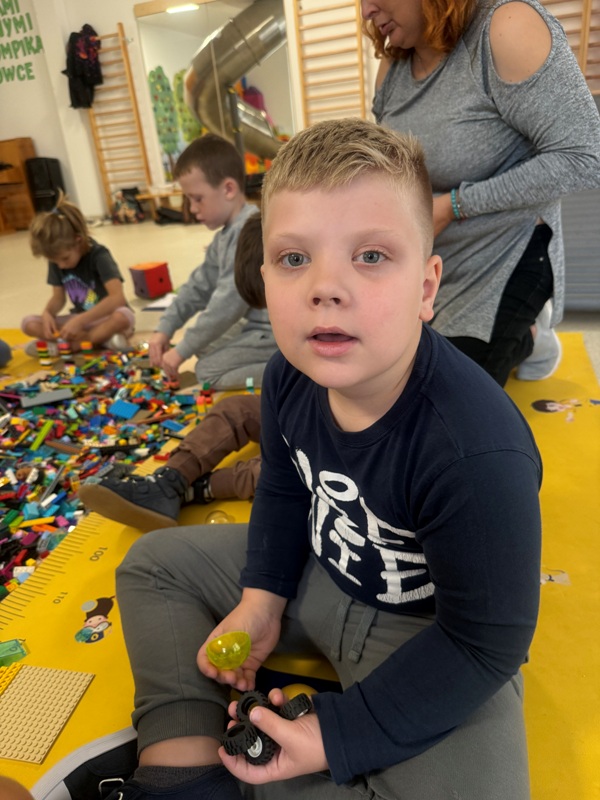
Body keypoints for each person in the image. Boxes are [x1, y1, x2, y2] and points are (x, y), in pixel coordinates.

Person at [111, 119, 542, 800]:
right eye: (294, 259)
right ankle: (185, 767)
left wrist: (335, 734)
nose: (325, 287)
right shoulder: (288, 376)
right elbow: (285, 491)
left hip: (425, 631)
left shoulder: (478, 450)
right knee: (151, 566)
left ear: (427, 287)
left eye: (370, 255)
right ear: (264, 277)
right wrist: (261, 600)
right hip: (320, 572)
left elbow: (484, 643)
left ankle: (267, 767)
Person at [361, 0, 600, 386]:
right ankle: (523, 337)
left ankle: (527, 335)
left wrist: (454, 206)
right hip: (430, 260)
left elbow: (585, 158)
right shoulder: (394, 64)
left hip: (505, 255)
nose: (365, 11)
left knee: (444, 397)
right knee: (381, 375)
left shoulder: (505, 29)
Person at [78, 213, 267, 531]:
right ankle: (169, 481)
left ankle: (194, 488)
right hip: (298, 414)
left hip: (329, 440)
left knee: (288, 470)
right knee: (233, 408)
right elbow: (197, 290)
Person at [148, 134, 277, 389]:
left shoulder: (248, 231)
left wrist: (180, 351)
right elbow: (198, 286)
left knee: (207, 372)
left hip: (271, 333)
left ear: (228, 189)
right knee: (203, 345)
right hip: (253, 325)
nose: (192, 208)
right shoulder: (225, 235)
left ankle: (290, 370)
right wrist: (166, 327)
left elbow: (226, 305)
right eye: (189, 199)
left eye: (198, 198)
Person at [21, 190, 135, 353]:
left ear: (78, 241)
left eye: (65, 259)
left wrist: (81, 320)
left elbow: (117, 299)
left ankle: (70, 345)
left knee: (123, 316)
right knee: (28, 323)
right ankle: (99, 340)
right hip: (81, 320)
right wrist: (48, 313)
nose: (61, 266)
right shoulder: (57, 259)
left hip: (105, 317)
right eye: (55, 262)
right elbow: (58, 298)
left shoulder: (99, 256)